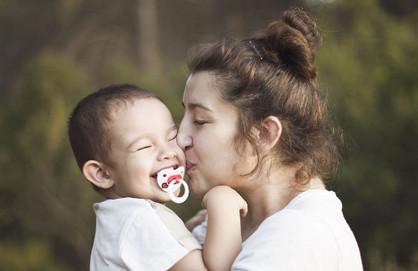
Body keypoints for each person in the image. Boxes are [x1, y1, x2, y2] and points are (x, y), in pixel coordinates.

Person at [178, 7, 363, 271]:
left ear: (264, 134)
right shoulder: (225, 223)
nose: (180, 138)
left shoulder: (298, 235)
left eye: (200, 121)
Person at [68, 84, 247, 271]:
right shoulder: (137, 221)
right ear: (102, 174)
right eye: (145, 146)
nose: (167, 152)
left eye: (171, 137)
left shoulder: (123, 221)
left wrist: (186, 234)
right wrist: (223, 206)